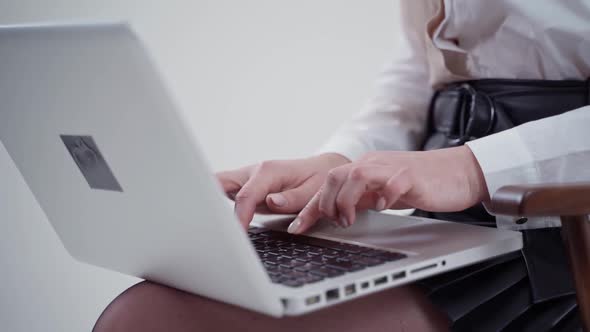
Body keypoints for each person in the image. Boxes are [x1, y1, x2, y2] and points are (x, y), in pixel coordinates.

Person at [94, 1, 590, 331]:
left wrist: (474, 169)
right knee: (146, 312)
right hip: (453, 227)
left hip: (566, 235)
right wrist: (339, 162)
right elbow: (419, 77)